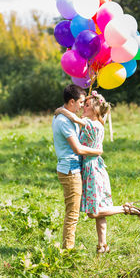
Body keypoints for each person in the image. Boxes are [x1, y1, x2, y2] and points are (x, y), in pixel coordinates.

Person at [55, 90, 140, 253]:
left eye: (87, 105)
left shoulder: (92, 125)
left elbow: (74, 118)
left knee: (93, 212)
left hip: (92, 170)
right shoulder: (95, 122)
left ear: (95, 110)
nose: (83, 107)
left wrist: (61, 110)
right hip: (93, 167)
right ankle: (102, 246)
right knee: (100, 209)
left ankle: (126, 209)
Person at [52, 84, 102, 250]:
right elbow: (78, 149)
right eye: (81, 102)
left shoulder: (67, 115)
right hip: (70, 170)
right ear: (72, 101)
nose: (83, 105)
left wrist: (60, 110)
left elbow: (64, 112)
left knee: (73, 213)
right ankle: (68, 251)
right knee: (72, 214)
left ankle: (68, 248)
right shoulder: (64, 121)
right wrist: (97, 151)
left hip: (71, 168)